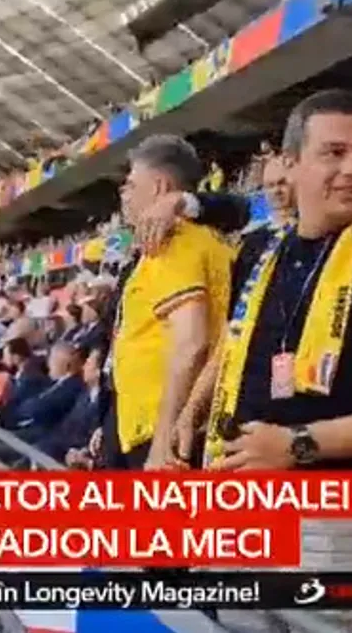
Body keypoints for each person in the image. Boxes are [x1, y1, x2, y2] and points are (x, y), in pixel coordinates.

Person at [173, 89, 352, 633]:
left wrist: (298, 445)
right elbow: (233, 345)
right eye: (334, 152)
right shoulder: (257, 254)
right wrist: (189, 415)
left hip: (332, 530)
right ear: (291, 162)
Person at [110, 134, 232, 470]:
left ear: (159, 186)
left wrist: (162, 440)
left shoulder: (174, 243)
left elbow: (191, 344)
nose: (124, 194)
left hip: (165, 432)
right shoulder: (190, 240)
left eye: (131, 184)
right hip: (161, 427)